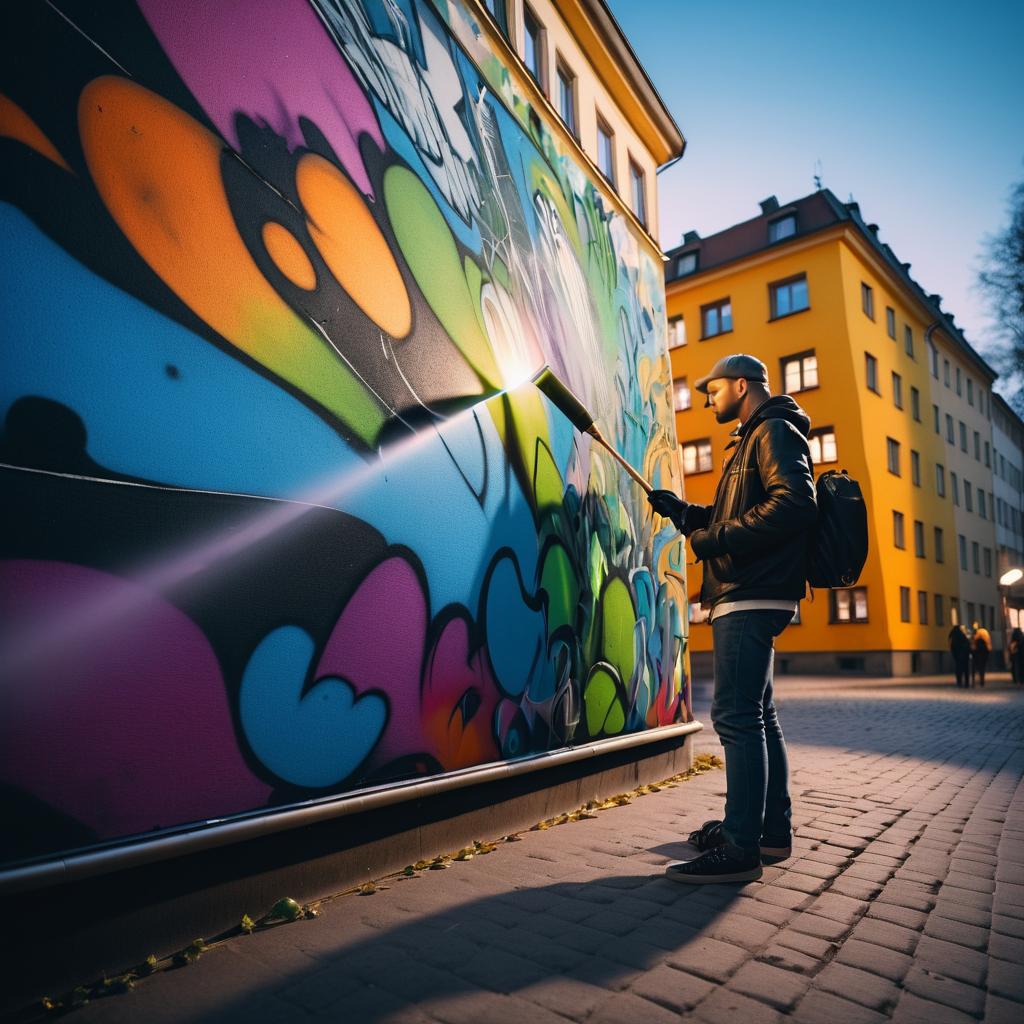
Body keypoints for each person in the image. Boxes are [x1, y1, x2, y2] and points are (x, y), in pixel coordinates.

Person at [648, 354, 816, 884]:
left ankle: (740, 846)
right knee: (758, 716)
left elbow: (794, 505)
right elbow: (737, 515)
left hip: (750, 592)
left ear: (741, 385)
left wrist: (711, 538)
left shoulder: (773, 431)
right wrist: (685, 514)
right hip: (755, 589)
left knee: (736, 717)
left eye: (714, 389)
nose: (707, 398)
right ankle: (767, 832)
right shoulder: (755, 437)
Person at [948, 624, 970, 688]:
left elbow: (952, 647)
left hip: (957, 657)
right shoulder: (963, 636)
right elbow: (967, 645)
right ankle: (967, 683)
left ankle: (959, 682)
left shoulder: (953, 637)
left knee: (958, 669)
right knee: (966, 669)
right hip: (965, 656)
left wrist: (955, 655)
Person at [971, 620, 992, 687]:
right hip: (984, 653)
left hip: (977, 654)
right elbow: (988, 642)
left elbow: (973, 645)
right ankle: (982, 681)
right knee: (982, 668)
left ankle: (975, 681)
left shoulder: (976, 635)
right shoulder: (985, 632)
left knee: (975, 668)